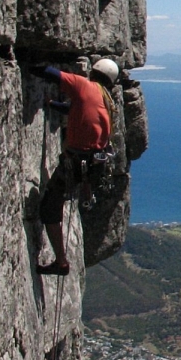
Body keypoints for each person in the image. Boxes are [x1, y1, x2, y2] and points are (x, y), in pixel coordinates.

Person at [30, 58, 119, 276]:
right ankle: (85, 192)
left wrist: (28, 64)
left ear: (94, 72)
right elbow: (79, 111)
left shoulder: (83, 85)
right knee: (65, 194)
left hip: (77, 161)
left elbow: (51, 73)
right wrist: (53, 106)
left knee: (50, 207)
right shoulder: (106, 100)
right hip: (94, 165)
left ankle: (61, 261)